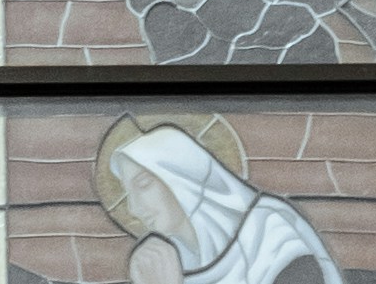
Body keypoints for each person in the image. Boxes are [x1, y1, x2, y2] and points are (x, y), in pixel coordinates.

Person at [95, 120, 344, 284]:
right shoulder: (164, 263)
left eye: (144, 184)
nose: (133, 208)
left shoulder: (270, 236)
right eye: (127, 194)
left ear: (184, 176)